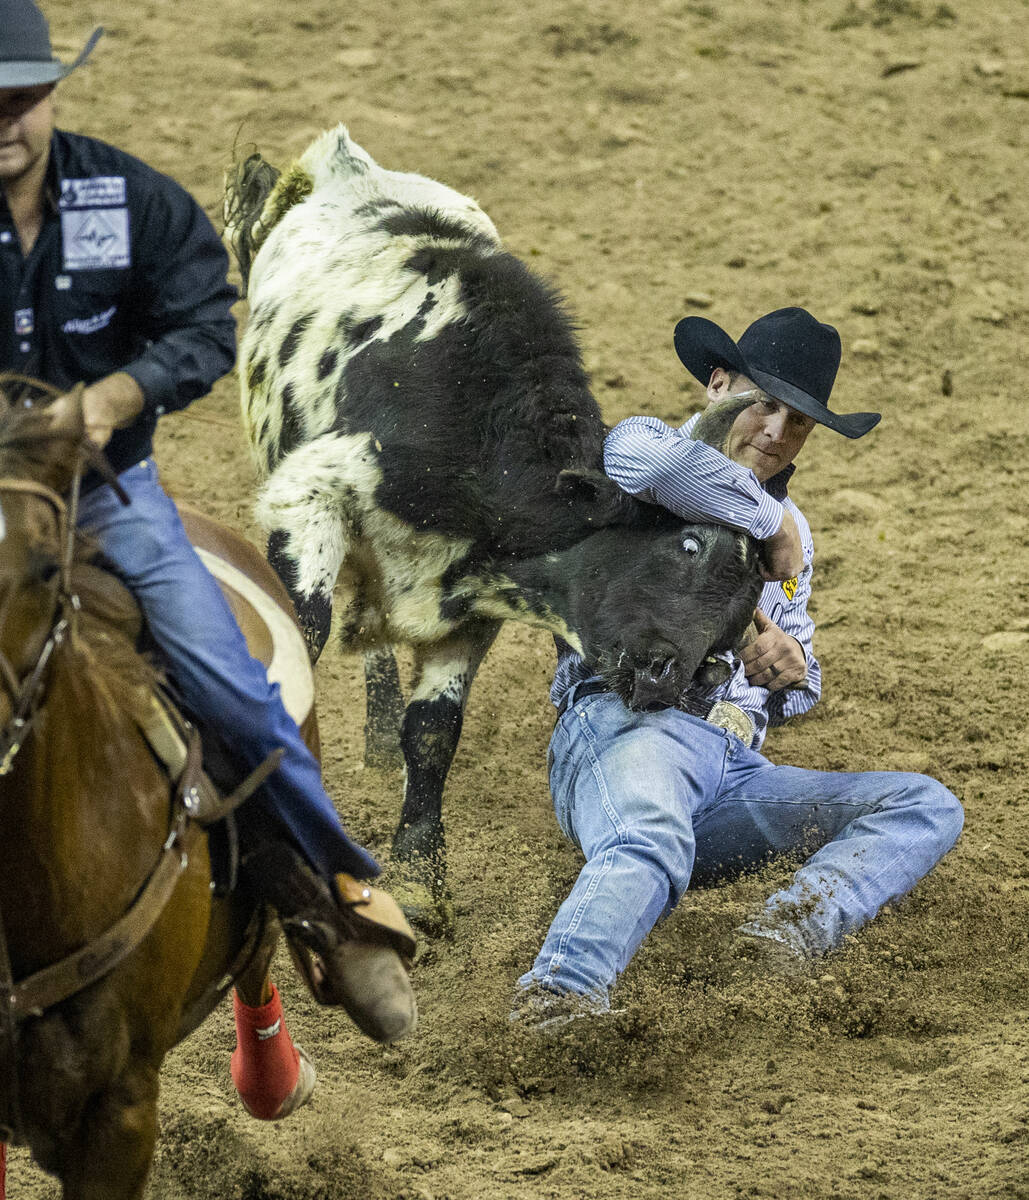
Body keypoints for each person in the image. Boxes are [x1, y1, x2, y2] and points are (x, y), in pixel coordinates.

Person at [0, 0, 416, 1058]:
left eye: (23, 97)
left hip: (109, 493)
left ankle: (338, 895)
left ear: (53, 92)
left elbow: (200, 320)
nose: (6, 120)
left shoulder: (126, 196)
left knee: (233, 684)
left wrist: (117, 397)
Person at [513, 305, 964, 1022]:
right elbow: (651, 461)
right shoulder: (642, 455)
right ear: (717, 383)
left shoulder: (797, 533)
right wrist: (767, 520)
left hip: (731, 769)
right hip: (626, 730)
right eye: (763, 405)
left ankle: (778, 940)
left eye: (799, 423)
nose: (776, 434)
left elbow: (800, 671)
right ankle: (557, 1001)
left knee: (921, 804)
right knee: (649, 836)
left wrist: (788, 666)